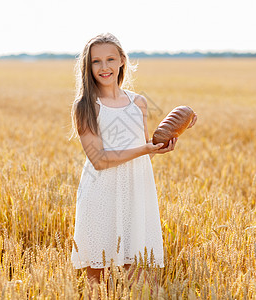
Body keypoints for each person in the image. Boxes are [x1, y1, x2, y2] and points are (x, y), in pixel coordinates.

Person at [68, 33, 197, 284]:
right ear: (88, 66)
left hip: (136, 189)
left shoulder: (138, 102)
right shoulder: (85, 105)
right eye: (96, 61)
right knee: (98, 276)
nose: (104, 67)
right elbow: (99, 160)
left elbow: (145, 146)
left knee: (138, 273)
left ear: (122, 61)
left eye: (110, 59)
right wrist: (146, 149)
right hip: (100, 192)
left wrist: (173, 135)